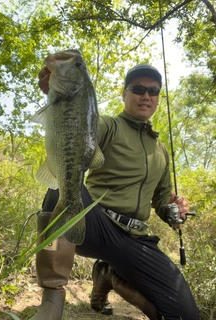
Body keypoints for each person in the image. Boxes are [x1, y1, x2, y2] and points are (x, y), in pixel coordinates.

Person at [29, 62, 199, 320]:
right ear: (124, 94)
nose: (146, 95)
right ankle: (53, 296)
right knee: (61, 187)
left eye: (153, 91)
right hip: (94, 223)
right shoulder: (107, 126)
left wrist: (174, 210)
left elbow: (162, 200)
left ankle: (108, 274)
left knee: (184, 314)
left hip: (136, 239)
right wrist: (61, 98)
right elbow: (77, 129)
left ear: (157, 98)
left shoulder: (162, 151)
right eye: (138, 88)